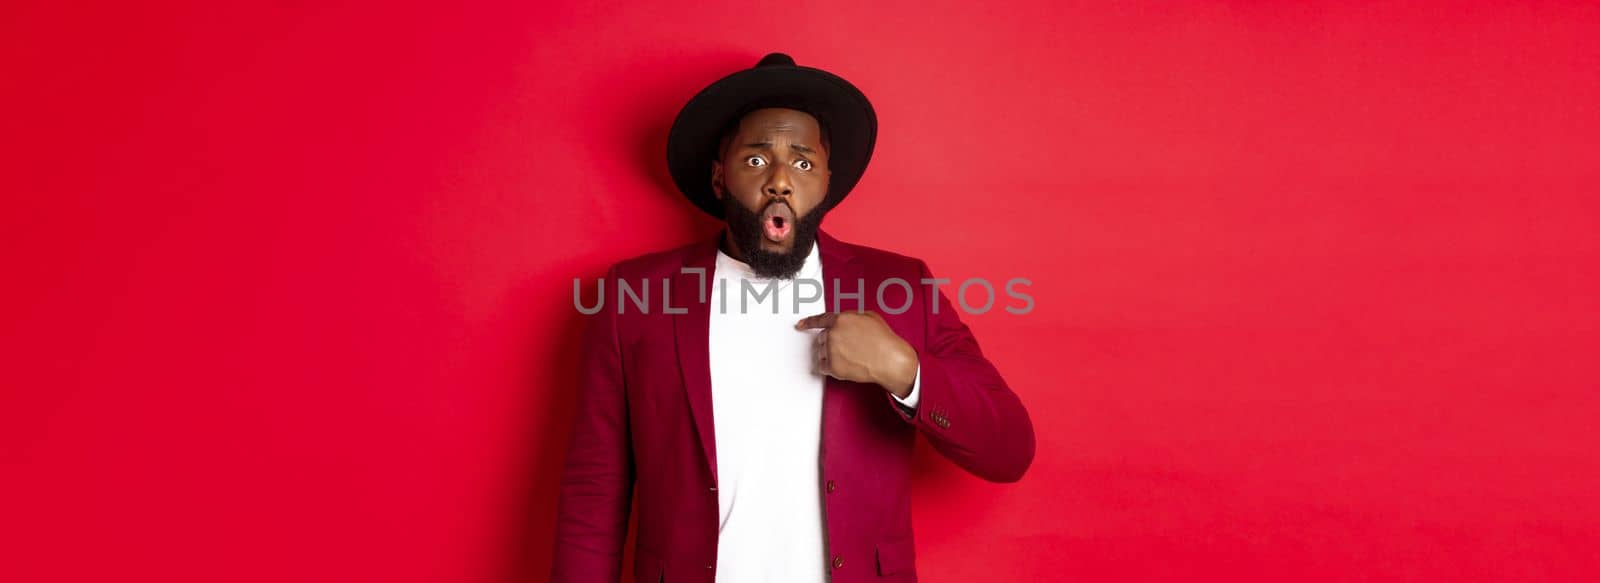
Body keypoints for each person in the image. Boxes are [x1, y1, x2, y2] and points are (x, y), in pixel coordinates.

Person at [552, 52, 1035, 583]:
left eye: (802, 163)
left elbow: (1009, 449)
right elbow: (594, 494)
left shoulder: (901, 289)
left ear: (827, 183)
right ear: (719, 178)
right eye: (757, 160)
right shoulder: (634, 297)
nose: (780, 181)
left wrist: (904, 370)